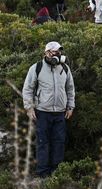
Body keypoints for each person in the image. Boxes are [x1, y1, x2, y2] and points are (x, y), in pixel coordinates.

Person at [22, 41, 75, 177]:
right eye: (54, 51)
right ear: (46, 53)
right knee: (42, 143)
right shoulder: (36, 68)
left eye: (59, 51)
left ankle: (57, 173)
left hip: (60, 114)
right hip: (42, 113)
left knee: (59, 143)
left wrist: (70, 106)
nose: (57, 54)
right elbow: (28, 89)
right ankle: (42, 174)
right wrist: (29, 108)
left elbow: (70, 89)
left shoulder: (65, 68)